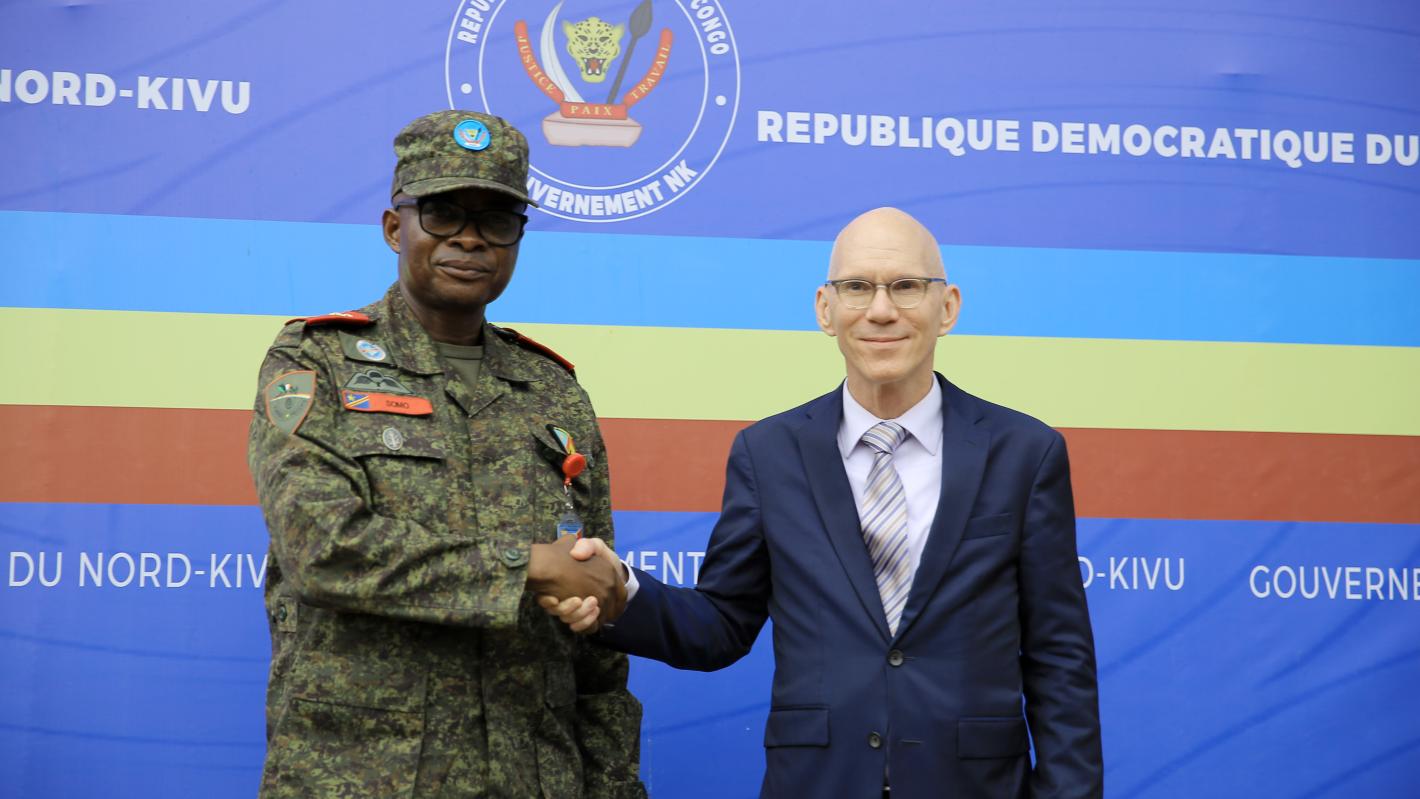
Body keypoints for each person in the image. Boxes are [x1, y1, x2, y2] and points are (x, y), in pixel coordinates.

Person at [541, 208, 1103, 798]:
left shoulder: (1024, 452)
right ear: (825, 310)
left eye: (906, 286)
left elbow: (1058, 655)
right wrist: (617, 589)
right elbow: (720, 626)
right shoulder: (769, 453)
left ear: (949, 307)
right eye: (857, 287)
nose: (881, 310)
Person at [247, 110, 645, 799]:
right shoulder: (317, 361)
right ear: (395, 227)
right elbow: (323, 547)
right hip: (365, 776)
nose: (469, 236)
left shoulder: (554, 392)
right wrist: (524, 567)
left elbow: (597, 649)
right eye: (443, 212)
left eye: (497, 219)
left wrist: (615, 784)